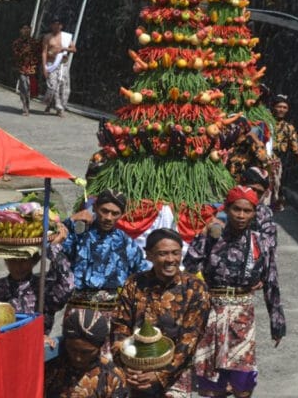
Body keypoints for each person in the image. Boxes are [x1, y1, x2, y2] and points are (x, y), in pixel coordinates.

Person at [183, 186, 286, 398]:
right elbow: (189, 267)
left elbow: (271, 281)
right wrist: (203, 234)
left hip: (243, 317)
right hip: (211, 315)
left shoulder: (261, 242)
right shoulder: (212, 237)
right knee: (212, 386)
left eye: (247, 211)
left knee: (243, 385)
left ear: (254, 213)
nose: (241, 215)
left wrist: (277, 324)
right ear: (227, 209)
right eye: (236, 209)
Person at [111, 228, 211, 397]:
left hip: (175, 373)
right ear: (149, 255)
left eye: (175, 253)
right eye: (162, 254)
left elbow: (190, 338)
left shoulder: (195, 288)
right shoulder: (134, 283)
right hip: (135, 371)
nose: (170, 259)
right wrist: (128, 367)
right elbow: (120, 327)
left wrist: (160, 374)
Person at [50, 189, 150, 353]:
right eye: (105, 211)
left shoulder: (126, 243)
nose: (109, 217)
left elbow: (143, 273)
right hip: (77, 310)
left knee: (108, 361)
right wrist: (71, 220)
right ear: (95, 208)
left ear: (122, 214)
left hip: (110, 314)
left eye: (115, 213)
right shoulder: (78, 234)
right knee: (75, 356)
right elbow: (52, 249)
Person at [0, 243, 73, 344]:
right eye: (12, 260)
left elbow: (68, 285)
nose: (18, 266)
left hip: (35, 347)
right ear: (6, 260)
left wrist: (53, 248)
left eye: (24, 261)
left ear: (33, 261)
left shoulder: (44, 288)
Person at [45, 309, 128, 397]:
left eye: (86, 352)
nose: (78, 357)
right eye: (72, 349)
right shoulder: (51, 366)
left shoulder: (111, 378)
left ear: (100, 347)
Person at [270, 94, 298, 212]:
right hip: (260, 159)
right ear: (273, 107)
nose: (281, 110)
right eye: (279, 106)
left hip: (275, 161)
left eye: (284, 107)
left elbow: (295, 142)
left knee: (275, 187)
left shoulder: (288, 128)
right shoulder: (264, 122)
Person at [42, 17, 76, 117]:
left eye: (58, 24)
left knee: (64, 88)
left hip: (63, 65)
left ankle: (59, 109)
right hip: (51, 64)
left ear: (61, 26)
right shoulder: (47, 37)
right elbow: (44, 52)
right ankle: (51, 105)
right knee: (53, 87)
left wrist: (64, 49)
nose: (56, 26)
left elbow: (74, 49)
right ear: (51, 25)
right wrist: (44, 67)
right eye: (54, 24)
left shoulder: (66, 37)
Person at [239, 166, 277, 254]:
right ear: (241, 185)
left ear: (265, 193)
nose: (254, 195)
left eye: (259, 192)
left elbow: (269, 251)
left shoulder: (265, 216)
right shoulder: (227, 207)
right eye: (251, 189)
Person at [222, 116, 269, 184]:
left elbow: (264, 159)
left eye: (235, 127)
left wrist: (256, 141)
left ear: (243, 129)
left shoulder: (250, 142)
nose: (230, 130)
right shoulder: (228, 140)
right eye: (229, 127)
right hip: (227, 179)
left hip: (245, 182)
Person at [11, 24, 41, 116]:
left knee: (30, 89)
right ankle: (25, 107)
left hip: (32, 69)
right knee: (24, 87)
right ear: (20, 30)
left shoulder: (35, 42)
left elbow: (39, 54)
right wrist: (24, 52)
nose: (26, 30)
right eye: (24, 28)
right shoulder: (16, 43)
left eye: (28, 29)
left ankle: (28, 103)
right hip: (22, 68)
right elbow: (15, 56)